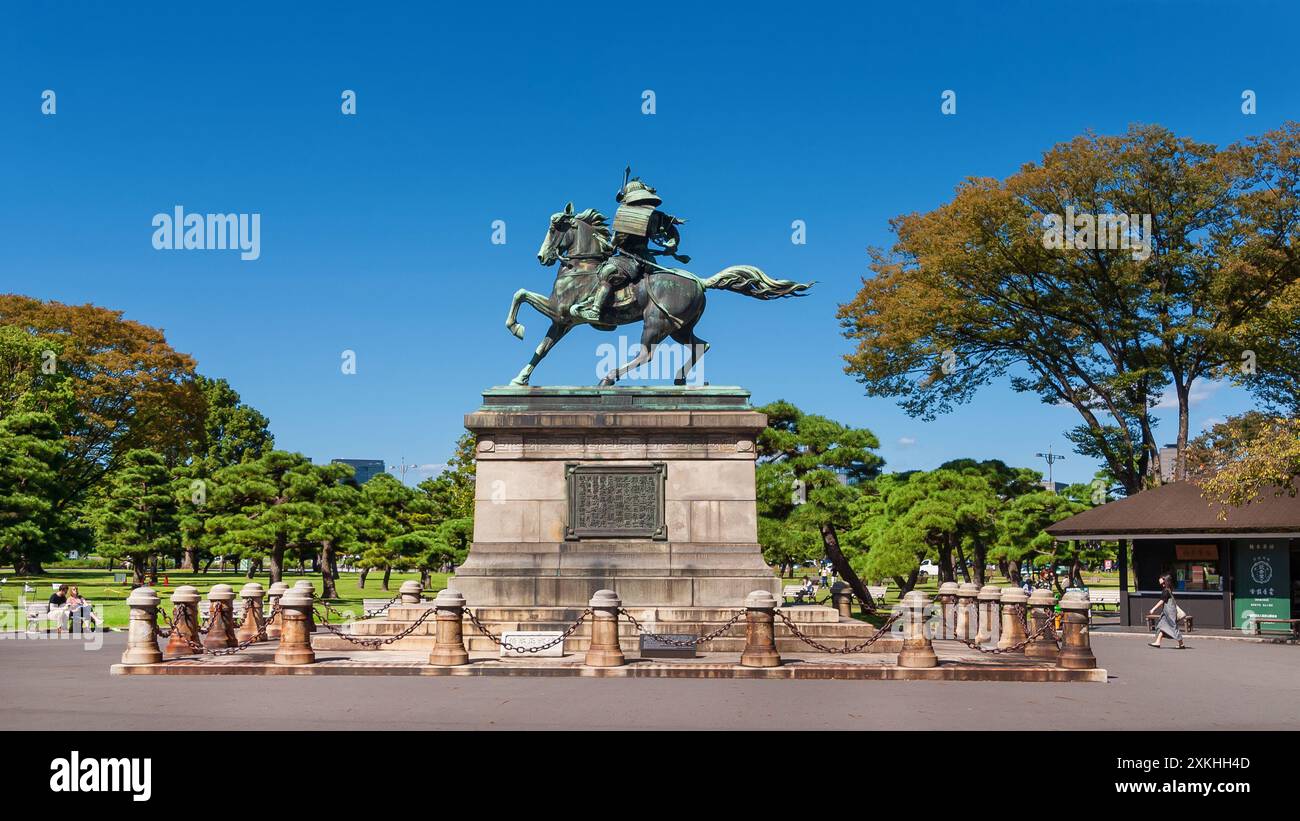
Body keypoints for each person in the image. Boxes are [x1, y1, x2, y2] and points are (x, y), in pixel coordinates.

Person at [1149, 573, 1187, 649]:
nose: (1162, 585)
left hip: (1169, 613)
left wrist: (1153, 609)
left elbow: (1162, 601)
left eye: (1163, 583)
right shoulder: (1168, 590)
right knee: (1161, 626)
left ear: (1167, 581)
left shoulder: (1166, 591)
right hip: (1167, 613)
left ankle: (1181, 643)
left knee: (1172, 627)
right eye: (1161, 584)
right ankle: (1158, 642)